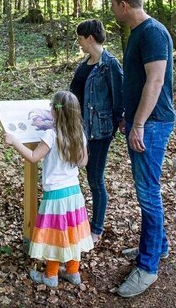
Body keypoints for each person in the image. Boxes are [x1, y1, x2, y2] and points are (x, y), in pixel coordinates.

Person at [109, 0, 176, 298]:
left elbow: (156, 80)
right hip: (141, 121)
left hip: (152, 124)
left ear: (124, 5)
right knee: (147, 190)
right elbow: (136, 83)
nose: (112, 9)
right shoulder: (138, 33)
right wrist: (127, 114)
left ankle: (148, 267)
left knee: (148, 194)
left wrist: (138, 124)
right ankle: (158, 247)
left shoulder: (152, 32)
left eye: (113, 4)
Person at [4, 91, 95, 288]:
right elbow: (83, 162)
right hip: (74, 193)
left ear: (54, 111)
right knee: (72, 233)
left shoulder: (51, 135)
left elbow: (34, 157)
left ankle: (50, 276)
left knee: (56, 235)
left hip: (55, 195)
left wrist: (14, 141)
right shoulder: (79, 132)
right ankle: (73, 272)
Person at [70, 19, 123, 245]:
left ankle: (97, 228)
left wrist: (110, 127)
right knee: (82, 175)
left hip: (99, 132)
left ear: (90, 38)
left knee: (95, 179)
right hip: (80, 129)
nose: (79, 43)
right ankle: (81, 222)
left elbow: (119, 98)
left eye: (80, 39)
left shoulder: (110, 64)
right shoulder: (86, 63)